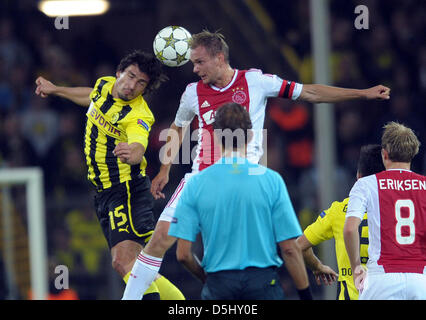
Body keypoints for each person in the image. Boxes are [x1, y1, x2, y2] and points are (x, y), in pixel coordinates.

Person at [122, 30, 391, 299]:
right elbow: (178, 127)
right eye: (192, 62)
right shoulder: (192, 92)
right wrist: (166, 169)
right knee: (159, 240)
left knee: (266, 248)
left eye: (200, 62)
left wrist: (362, 93)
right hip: (200, 179)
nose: (194, 69)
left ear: (219, 57)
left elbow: (309, 92)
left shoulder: (255, 81)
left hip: (244, 180)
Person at [34, 50, 184, 300]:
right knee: (136, 267)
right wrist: (56, 89)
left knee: (124, 262)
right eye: (131, 76)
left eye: (141, 83)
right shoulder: (105, 85)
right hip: (104, 192)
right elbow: (90, 95)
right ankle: (179, 304)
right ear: (119, 73)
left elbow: (139, 144)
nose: (132, 85)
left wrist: (133, 152)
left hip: (126, 191)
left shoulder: (139, 114)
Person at [126, 102, 312, 299]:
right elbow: (290, 249)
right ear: (250, 135)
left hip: (219, 284)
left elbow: (183, 254)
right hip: (263, 283)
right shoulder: (271, 180)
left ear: (214, 136)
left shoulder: (197, 184)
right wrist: (306, 295)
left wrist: (207, 279)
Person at [344, 122, 426, 300]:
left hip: (381, 279)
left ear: (384, 154)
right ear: (412, 154)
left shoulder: (365, 184)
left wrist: (356, 267)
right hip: (420, 279)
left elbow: (350, 229)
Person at [296, 144, 385, 300]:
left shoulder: (338, 211)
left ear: (358, 176)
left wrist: (317, 266)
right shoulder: (398, 211)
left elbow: (299, 246)